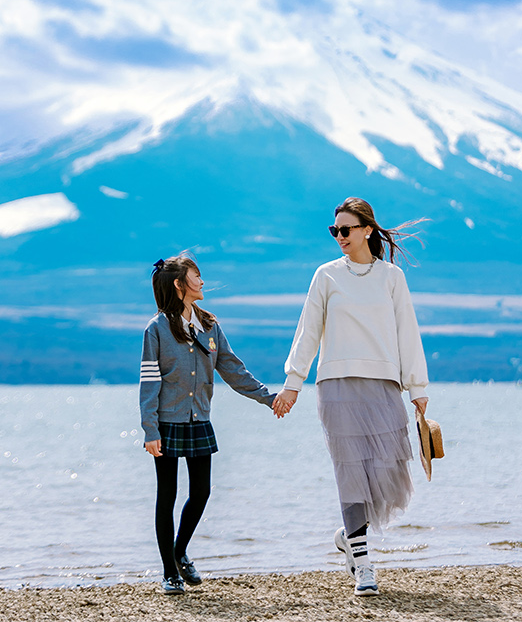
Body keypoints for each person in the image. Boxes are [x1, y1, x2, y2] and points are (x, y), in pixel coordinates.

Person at [272, 197, 429, 597]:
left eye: (346, 229)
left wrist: (418, 388)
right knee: (350, 473)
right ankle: (363, 563)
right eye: (334, 231)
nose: (339, 237)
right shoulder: (326, 276)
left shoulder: (391, 278)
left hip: (383, 384)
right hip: (336, 384)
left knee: (387, 470)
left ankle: (348, 534)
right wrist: (294, 382)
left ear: (367, 230)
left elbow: (407, 332)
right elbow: (308, 330)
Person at [138, 255, 276, 595]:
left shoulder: (211, 326)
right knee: (166, 496)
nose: (202, 281)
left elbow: (232, 369)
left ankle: (179, 550)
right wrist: (150, 430)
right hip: (166, 425)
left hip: (200, 420)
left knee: (201, 492)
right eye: (196, 276)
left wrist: (268, 398)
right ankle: (170, 573)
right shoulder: (156, 329)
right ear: (179, 284)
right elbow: (149, 383)